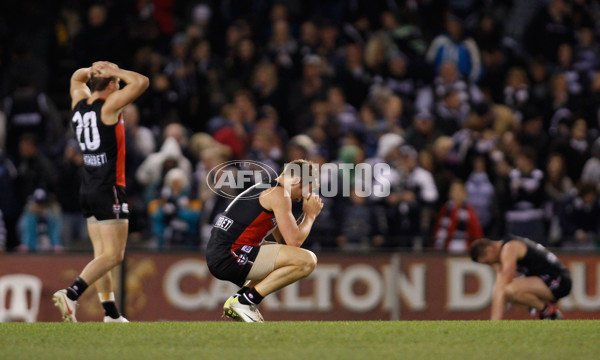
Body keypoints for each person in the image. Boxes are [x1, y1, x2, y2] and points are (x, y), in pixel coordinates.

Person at [52, 61, 149, 322]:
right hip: (109, 187)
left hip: (89, 187)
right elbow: (141, 82)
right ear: (109, 84)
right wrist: (113, 71)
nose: (119, 84)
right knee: (114, 255)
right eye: (116, 82)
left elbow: (76, 77)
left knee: (101, 255)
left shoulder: (78, 104)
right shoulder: (109, 107)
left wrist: (94, 70)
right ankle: (71, 294)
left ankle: (110, 314)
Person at [206, 159, 323, 322]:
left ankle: (240, 299)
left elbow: (285, 243)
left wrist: (304, 217)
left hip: (223, 252)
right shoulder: (279, 194)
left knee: (291, 257)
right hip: (230, 254)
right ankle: (246, 301)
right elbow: (294, 242)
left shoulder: (268, 188)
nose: (301, 198)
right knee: (308, 260)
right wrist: (310, 215)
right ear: (296, 180)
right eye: (305, 191)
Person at [469, 237, 572, 320]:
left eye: (487, 262)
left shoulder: (509, 249)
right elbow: (498, 289)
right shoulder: (503, 252)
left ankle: (549, 312)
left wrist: (495, 321)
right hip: (547, 279)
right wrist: (494, 321)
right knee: (513, 294)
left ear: (489, 250)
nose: (489, 264)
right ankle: (548, 314)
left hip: (559, 279)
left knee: (512, 290)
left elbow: (504, 284)